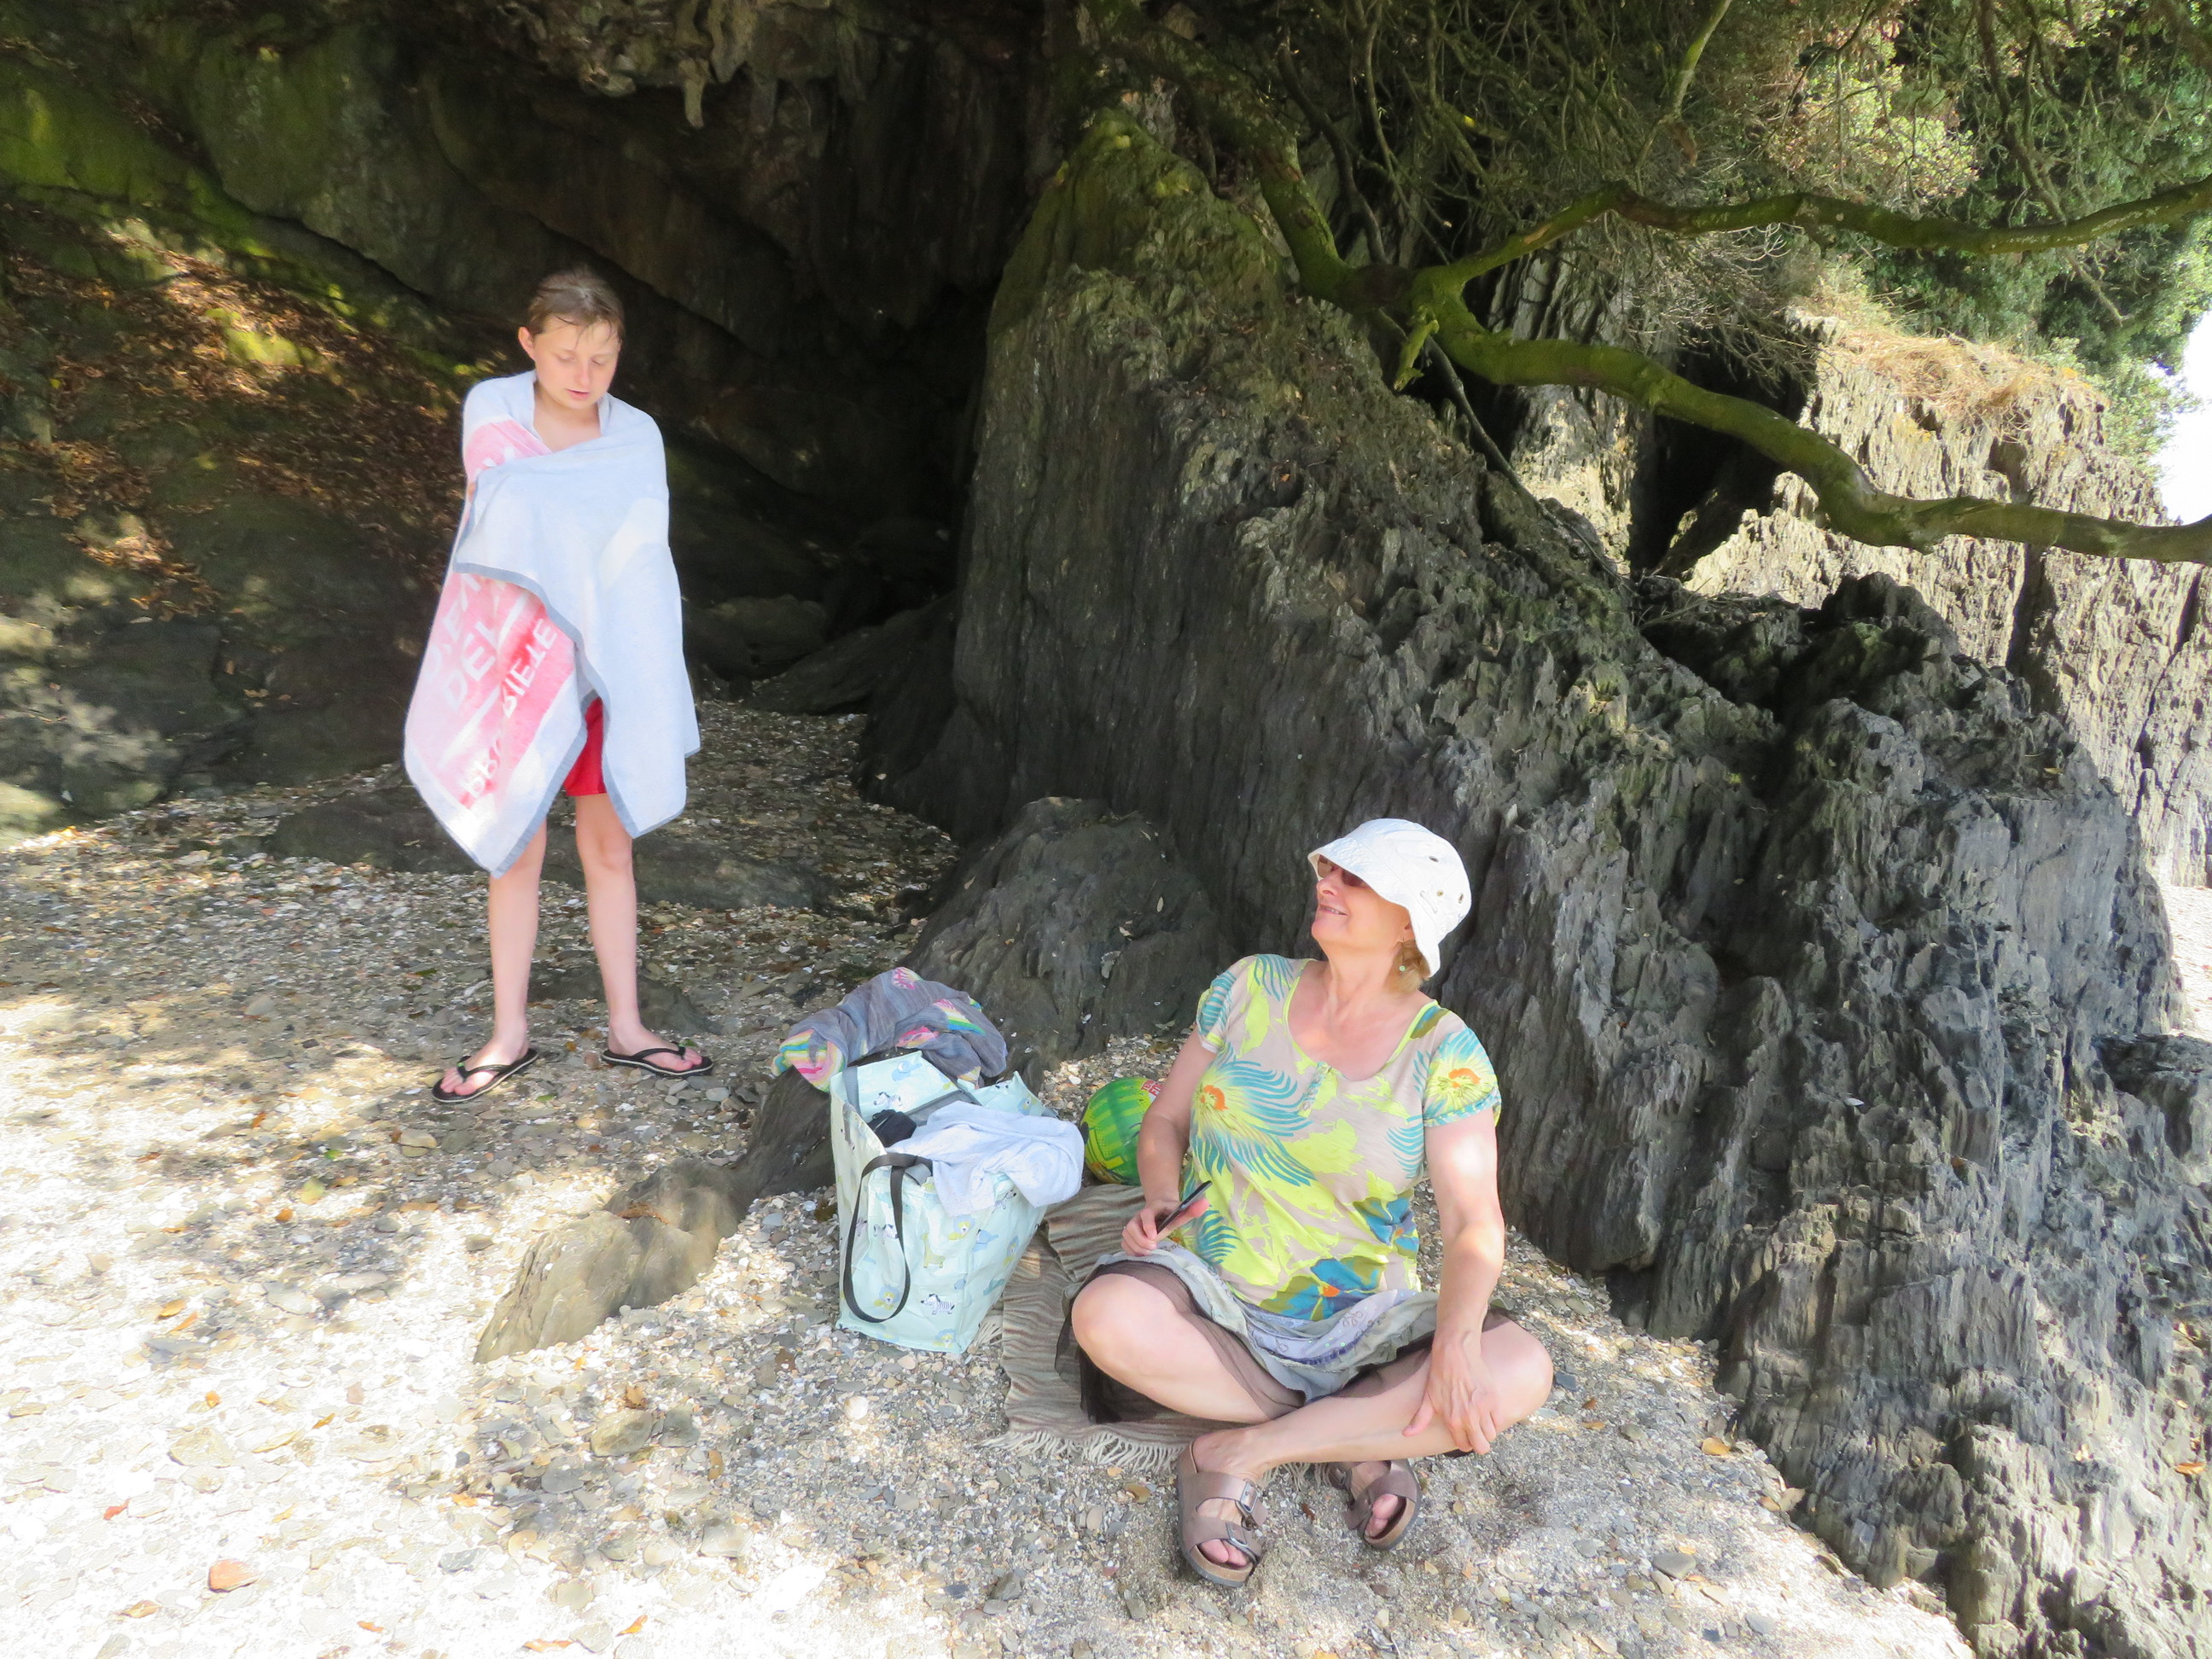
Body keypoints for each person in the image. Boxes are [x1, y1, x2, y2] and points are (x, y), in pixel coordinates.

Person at [1069, 818, 1552, 1586]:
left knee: (1522, 1368)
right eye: (1330, 870)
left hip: (1359, 1317)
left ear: (1409, 925)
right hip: (1213, 1288)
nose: (1328, 883)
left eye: (1357, 879)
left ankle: (1241, 1450)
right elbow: (1163, 1121)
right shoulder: (1248, 986)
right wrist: (1162, 1199)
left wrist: (1458, 1342)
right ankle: (1358, 1434)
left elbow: (1473, 1224)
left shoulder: (1444, 1052)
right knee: (1103, 1318)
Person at [403, 270, 713, 1102]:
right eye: (567, 355)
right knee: (517, 848)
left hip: (607, 661)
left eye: (603, 358)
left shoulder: (637, 434)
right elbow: (505, 514)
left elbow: (638, 558)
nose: (584, 374)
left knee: (610, 849)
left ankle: (628, 1028)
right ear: (528, 345)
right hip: (514, 661)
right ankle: (507, 1033)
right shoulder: (492, 410)